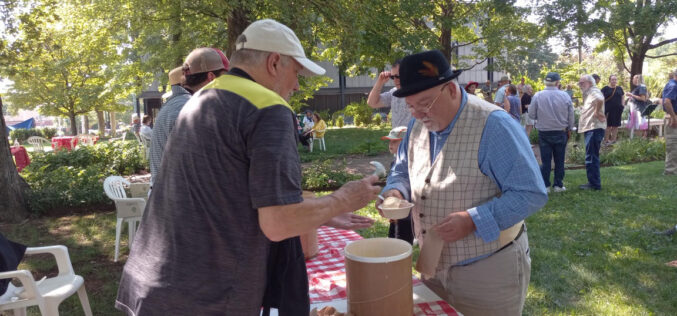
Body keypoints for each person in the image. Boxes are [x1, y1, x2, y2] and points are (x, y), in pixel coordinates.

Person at [115, 19, 380, 315]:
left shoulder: (201, 98)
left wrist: (325, 213)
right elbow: (278, 223)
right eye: (296, 73)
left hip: (153, 282)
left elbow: (227, 192)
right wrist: (341, 199)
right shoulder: (269, 108)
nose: (295, 85)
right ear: (275, 62)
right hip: (207, 298)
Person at [377, 50, 547, 315]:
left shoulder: (494, 125)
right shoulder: (414, 126)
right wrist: (396, 191)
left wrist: (473, 220)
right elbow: (401, 170)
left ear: (452, 90)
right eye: (411, 106)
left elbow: (531, 193)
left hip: (488, 271)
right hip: (433, 265)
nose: (419, 114)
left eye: (425, 104)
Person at [149, 49, 230, 186]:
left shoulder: (174, 104)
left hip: (165, 194)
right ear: (212, 78)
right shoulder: (192, 109)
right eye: (226, 77)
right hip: (177, 198)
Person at [529, 72, 575, 193]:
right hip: (561, 132)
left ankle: (545, 185)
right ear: (557, 82)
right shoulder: (565, 96)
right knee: (560, 160)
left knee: (545, 161)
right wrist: (570, 128)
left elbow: (532, 114)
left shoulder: (538, 95)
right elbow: (571, 116)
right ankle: (558, 185)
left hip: (544, 132)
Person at [379, 126, 413, 244]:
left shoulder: (411, 163)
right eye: (389, 141)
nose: (390, 144)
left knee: (402, 242)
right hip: (395, 211)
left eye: (394, 141)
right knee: (392, 238)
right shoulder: (395, 162)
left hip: (406, 214)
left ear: (406, 143)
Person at [577, 74, 606, 190]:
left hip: (594, 128)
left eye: (582, 83)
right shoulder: (589, 92)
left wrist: (596, 112)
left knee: (591, 157)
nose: (580, 85)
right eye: (579, 83)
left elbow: (600, 99)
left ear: (589, 83)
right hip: (591, 128)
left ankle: (594, 184)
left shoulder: (593, 91)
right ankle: (593, 182)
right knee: (591, 156)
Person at [367, 59, 413, 128]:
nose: (395, 80)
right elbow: (372, 103)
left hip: (415, 138)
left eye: (398, 76)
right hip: (396, 138)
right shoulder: (394, 93)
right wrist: (380, 82)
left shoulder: (420, 93)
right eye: (392, 77)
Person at [601, 75, 625, 145]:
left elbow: (623, 97)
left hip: (618, 110)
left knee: (615, 125)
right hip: (608, 110)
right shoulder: (605, 88)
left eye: (615, 79)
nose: (614, 81)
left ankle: (613, 140)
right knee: (608, 126)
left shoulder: (619, 88)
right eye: (612, 79)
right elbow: (600, 99)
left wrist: (622, 105)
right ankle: (606, 140)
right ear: (609, 80)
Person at [663, 68, 677, 176]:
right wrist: (674, 117)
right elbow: (667, 102)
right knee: (673, 145)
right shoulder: (673, 86)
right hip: (673, 118)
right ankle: (670, 171)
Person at [626, 74, 649, 138]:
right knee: (637, 125)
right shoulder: (638, 87)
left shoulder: (642, 86)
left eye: (634, 78)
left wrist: (631, 95)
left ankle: (641, 140)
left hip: (639, 109)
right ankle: (637, 140)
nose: (632, 79)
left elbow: (643, 98)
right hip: (635, 109)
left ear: (637, 79)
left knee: (640, 125)